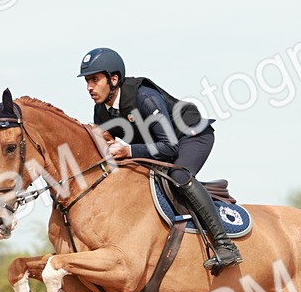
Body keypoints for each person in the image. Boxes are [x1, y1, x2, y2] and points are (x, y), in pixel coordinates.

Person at [77, 47, 242, 274]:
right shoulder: (101, 111)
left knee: (178, 176)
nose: (89, 87)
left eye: (95, 80)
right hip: (157, 146)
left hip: (191, 135)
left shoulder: (144, 98)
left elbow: (169, 147)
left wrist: (129, 151)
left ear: (114, 79)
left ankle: (225, 245)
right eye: (87, 81)